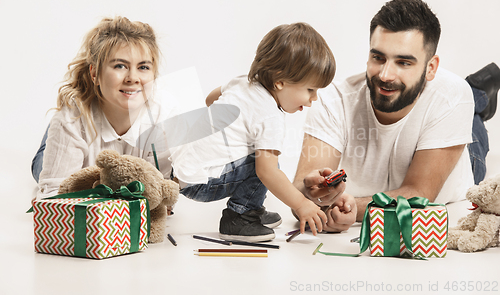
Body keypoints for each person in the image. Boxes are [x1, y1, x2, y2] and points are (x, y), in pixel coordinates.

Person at [293, 0, 500, 223]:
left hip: (465, 154)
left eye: (403, 63)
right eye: (378, 57)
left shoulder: (451, 97)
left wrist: (351, 210)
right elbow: (300, 193)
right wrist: (311, 193)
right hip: (440, 105)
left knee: (470, 109)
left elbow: (419, 194)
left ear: (431, 68)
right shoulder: (333, 100)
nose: (385, 75)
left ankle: (479, 93)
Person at [169, 23, 337, 242]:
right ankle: (240, 216)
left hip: (182, 170)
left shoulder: (242, 82)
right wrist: (302, 204)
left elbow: (210, 99)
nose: (313, 99)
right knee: (268, 165)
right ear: (280, 82)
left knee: (259, 158)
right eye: (310, 90)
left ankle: (251, 206)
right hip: (202, 183)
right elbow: (267, 173)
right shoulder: (270, 115)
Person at [32, 16, 174, 201]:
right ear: (94, 74)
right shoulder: (71, 121)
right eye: (120, 65)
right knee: (41, 168)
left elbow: (158, 196)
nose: (132, 77)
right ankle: (52, 135)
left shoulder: (162, 118)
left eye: (143, 67)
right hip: (78, 125)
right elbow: (54, 198)